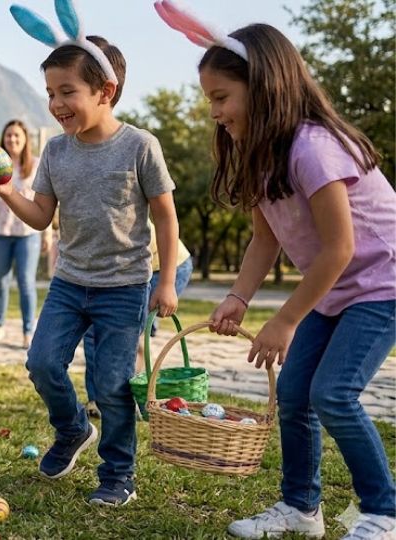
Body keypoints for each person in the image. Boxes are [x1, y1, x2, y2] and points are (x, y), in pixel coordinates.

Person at [155, 2, 396, 538]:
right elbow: (266, 238)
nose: (215, 111)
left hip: (382, 284)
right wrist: (239, 297)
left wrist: (285, 319)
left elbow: (339, 247)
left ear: (263, 88)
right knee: (293, 394)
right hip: (336, 291)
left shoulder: (313, 147)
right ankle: (302, 508)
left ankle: (385, 511)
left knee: (332, 392)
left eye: (222, 98)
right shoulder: (262, 155)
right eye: (210, 100)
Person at [0, 1, 181, 506]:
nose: (56, 103)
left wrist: (164, 282)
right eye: (50, 93)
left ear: (106, 91)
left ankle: (118, 474)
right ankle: (73, 428)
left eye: (67, 92)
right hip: (70, 282)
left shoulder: (140, 146)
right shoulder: (56, 151)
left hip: (124, 286)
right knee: (42, 363)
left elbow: (164, 214)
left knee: (113, 383)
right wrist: (9, 192)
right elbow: (40, 216)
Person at [82, 232, 193, 417]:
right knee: (95, 330)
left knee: (131, 332)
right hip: (127, 268)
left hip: (166, 266)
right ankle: (98, 399)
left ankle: (128, 398)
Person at [0, 119, 52, 349]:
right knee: (0, 282)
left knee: (26, 282)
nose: (12, 139)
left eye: (17, 135)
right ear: (3, 139)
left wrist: (47, 233)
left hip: (28, 232)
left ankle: (28, 331)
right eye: (9, 135)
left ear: (25, 139)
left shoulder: (37, 164)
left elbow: (46, 201)